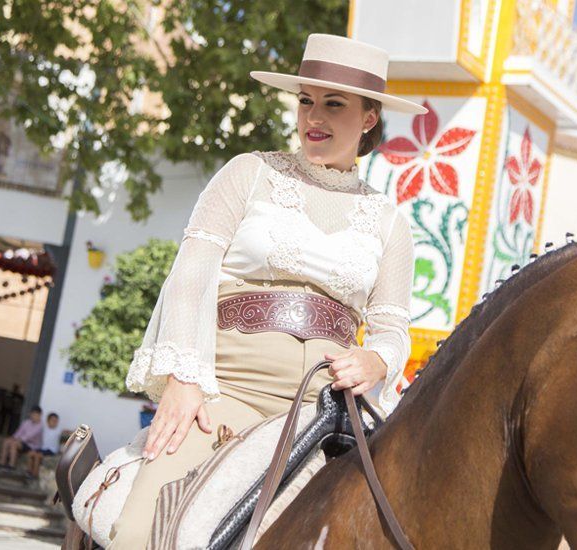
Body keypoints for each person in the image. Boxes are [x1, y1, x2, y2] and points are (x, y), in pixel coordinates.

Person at [108, 33, 426, 548]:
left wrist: (377, 362)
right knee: (138, 531)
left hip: (322, 408)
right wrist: (184, 382)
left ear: (369, 118)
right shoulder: (248, 173)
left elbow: (391, 326)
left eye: (333, 104)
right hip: (224, 390)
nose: (313, 117)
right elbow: (191, 274)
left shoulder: (391, 223)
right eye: (305, 101)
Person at [0, 405, 42, 471]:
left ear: (39, 415)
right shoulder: (26, 422)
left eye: (35, 414)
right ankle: (2, 462)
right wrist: (13, 437)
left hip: (32, 446)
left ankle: (11, 465)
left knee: (14, 444)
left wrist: (17, 440)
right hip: (21, 442)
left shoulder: (40, 426)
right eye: (32, 414)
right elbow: (19, 432)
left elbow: (29, 436)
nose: (33, 416)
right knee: (7, 441)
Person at [26, 412, 62, 477]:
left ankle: (34, 474)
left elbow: (66, 432)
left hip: (51, 450)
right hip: (43, 449)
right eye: (53, 420)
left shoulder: (58, 430)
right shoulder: (44, 429)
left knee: (37, 456)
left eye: (56, 421)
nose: (54, 422)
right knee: (30, 453)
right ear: (48, 421)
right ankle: (29, 471)